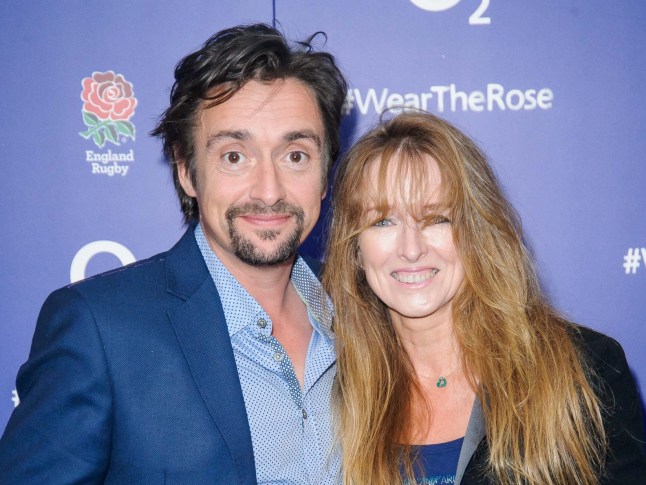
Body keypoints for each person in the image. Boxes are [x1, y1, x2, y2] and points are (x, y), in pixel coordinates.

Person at [0, 24, 347, 484]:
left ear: (325, 176)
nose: (269, 190)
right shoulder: (100, 329)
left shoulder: (364, 309)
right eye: (234, 156)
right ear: (187, 172)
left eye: (296, 155)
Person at [323, 111, 646, 484]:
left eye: (436, 219)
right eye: (382, 221)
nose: (410, 249)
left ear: (477, 233)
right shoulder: (333, 395)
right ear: (356, 250)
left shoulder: (583, 373)